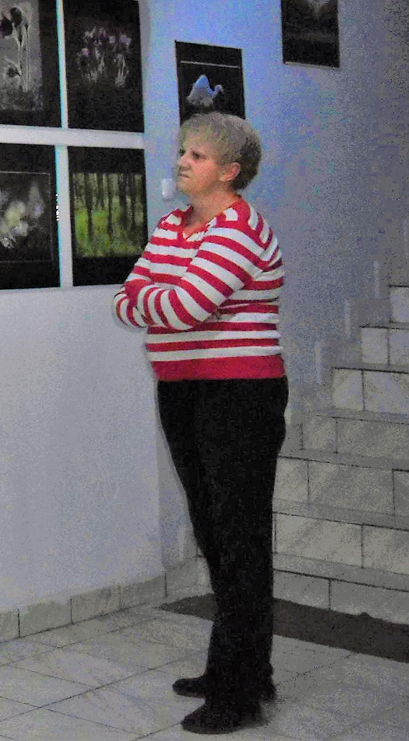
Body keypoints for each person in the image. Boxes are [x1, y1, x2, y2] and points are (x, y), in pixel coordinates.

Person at [113, 112, 285, 736]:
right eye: (184, 151)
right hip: (182, 391)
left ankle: (239, 694)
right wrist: (159, 301)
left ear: (230, 171)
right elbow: (125, 300)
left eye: (199, 156)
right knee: (213, 533)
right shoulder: (172, 227)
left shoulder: (240, 229)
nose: (183, 162)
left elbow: (184, 306)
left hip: (239, 395)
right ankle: (241, 671)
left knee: (239, 540)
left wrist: (157, 301)